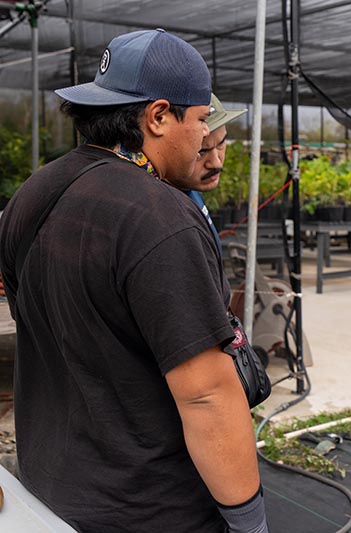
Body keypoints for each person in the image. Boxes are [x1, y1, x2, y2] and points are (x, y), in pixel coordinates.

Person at [0, 29, 268, 532]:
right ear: (160, 116)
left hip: (50, 488)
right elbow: (208, 395)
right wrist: (250, 523)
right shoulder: (159, 217)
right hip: (147, 509)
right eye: (201, 120)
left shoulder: (35, 190)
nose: (205, 139)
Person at [164, 93, 245, 251]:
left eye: (221, 143)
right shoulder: (164, 215)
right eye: (202, 151)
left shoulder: (191, 192)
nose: (215, 162)